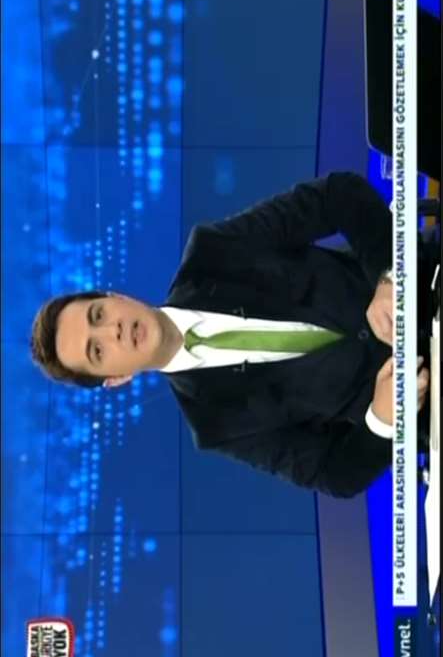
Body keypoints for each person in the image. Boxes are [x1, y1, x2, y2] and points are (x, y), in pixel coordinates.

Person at [30, 171, 436, 498]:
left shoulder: (214, 253)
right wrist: (382, 418)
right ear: (116, 378)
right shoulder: (215, 421)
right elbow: (336, 474)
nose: (113, 330)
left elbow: (338, 195)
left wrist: (390, 276)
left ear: (115, 297)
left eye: (99, 314)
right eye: (97, 350)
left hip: (430, 287)